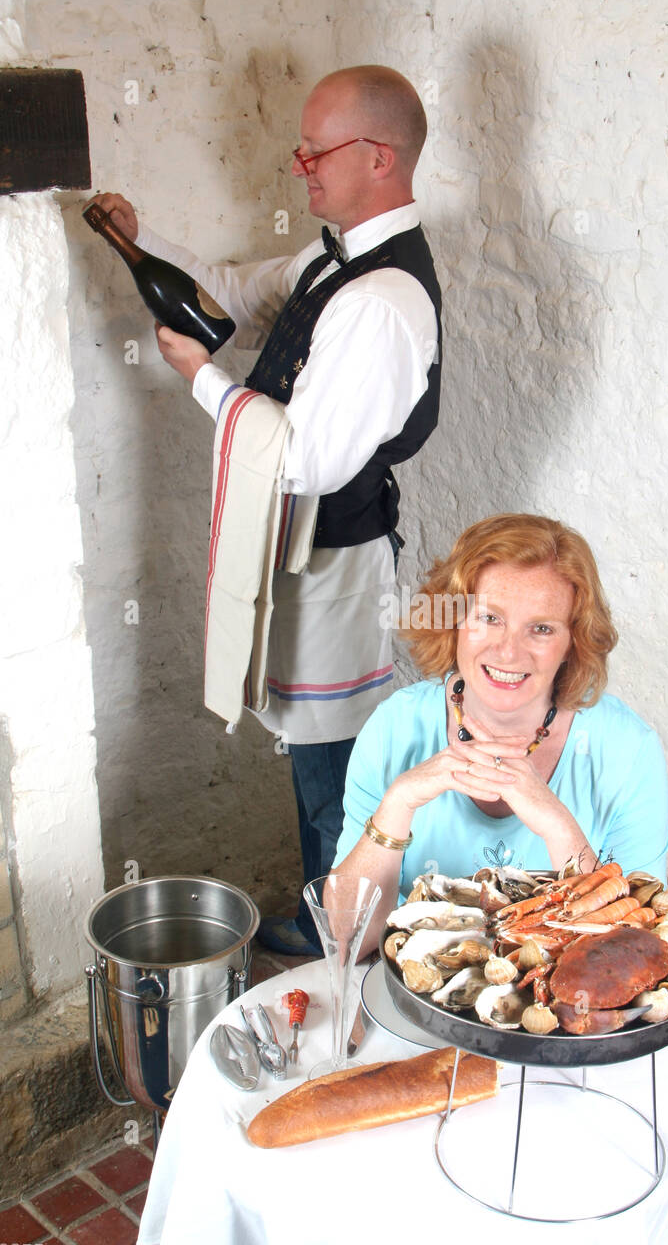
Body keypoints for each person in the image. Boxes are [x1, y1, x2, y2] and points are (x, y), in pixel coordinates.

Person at [92, 66, 442, 955]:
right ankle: (327, 908)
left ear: (377, 155)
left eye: (314, 149)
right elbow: (231, 296)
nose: (300, 165)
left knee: (333, 764)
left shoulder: (383, 300)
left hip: (334, 560)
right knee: (304, 744)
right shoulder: (333, 256)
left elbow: (307, 459)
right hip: (297, 554)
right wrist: (142, 243)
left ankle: (350, 947)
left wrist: (202, 381)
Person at [331, 513, 668, 960]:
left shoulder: (628, 752)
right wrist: (398, 804)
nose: (509, 651)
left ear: (574, 641)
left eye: (542, 628)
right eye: (489, 618)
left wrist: (557, 824)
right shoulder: (393, 729)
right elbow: (346, 944)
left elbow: (635, 956)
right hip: (408, 1007)